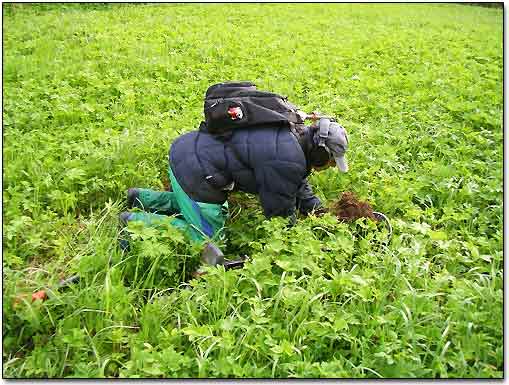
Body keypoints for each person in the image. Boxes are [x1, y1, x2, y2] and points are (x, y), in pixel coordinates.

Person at [119, 116, 348, 263]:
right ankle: (134, 222)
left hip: (188, 151)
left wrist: (316, 211)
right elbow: (279, 213)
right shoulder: (288, 159)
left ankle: (141, 197)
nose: (328, 167)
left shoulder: (293, 136)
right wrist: (293, 243)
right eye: (330, 161)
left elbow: (296, 183)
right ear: (319, 152)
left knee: (208, 210)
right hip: (196, 172)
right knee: (208, 239)